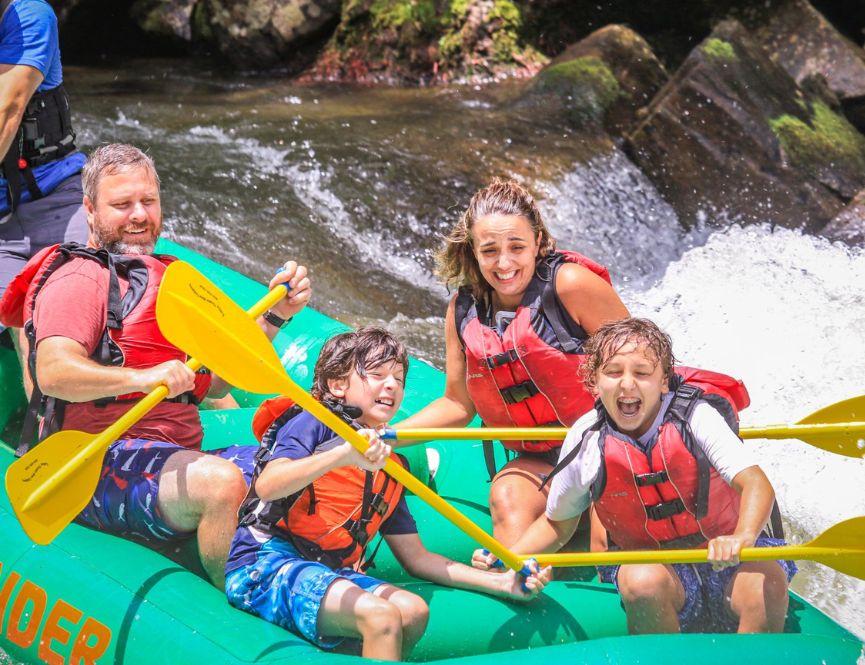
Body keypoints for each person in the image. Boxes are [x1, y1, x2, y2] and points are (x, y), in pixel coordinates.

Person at [0, 143, 311, 589]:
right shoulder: (78, 278)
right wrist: (142, 377)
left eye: (148, 201)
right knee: (222, 484)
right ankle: (250, 605)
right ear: (89, 210)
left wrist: (275, 316)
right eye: (122, 204)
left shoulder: (172, 282)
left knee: (307, 469)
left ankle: (311, 578)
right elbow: (53, 370)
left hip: (171, 457)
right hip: (95, 462)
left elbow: (216, 378)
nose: (139, 215)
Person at [226, 326, 550, 661]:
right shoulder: (313, 422)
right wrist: (343, 454)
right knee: (381, 618)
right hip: (264, 564)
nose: (392, 385)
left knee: (412, 611)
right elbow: (268, 484)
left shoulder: (388, 465)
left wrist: (502, 583)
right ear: (337, 385)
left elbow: (418, 558)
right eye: (377, 375)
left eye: (398, 378)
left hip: (330, 570)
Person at [474, 318, 796, 634]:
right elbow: (558, 524)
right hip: (658, 574)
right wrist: (508, 556)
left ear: (664, 381)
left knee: (764, 581)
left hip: (727, 558)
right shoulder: (586, 438)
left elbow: (754, 482)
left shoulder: (696, 417)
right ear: (594, 383)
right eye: (613, 373)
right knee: (643, 581)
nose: (627, 383)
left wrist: (742, 537)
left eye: (642, 373)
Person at [395, 179, 629, 546]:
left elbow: (646, 369)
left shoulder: (571, 285)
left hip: (612, 445)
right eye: (489, 251)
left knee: (606, 541)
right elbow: (457, 403)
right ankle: (521, 581)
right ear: (473, 252)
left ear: (538, 242)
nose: (503, 263)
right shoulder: (463, 310)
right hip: (542, 459)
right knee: (507, 499)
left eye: (516, 247)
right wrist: (389, 436)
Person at [0, 0, 87, 310]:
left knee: (72, 305)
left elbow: (7, 109)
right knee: (19, 319)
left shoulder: (28, 15)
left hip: (54, 197)